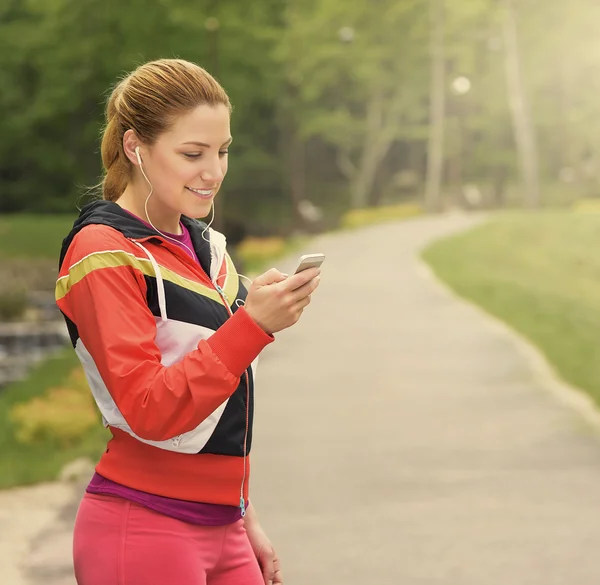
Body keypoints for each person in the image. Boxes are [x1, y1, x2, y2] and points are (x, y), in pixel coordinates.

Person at [55, 58, 320, 585]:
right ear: (135, 147)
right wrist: (253, 326)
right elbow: (150, 408)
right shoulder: (102, 253)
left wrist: (244, 515)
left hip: (226, 525)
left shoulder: (206, 247)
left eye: (222, 152)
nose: (214, 171)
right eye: (192, 154)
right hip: (143, 526)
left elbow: (219, 408)